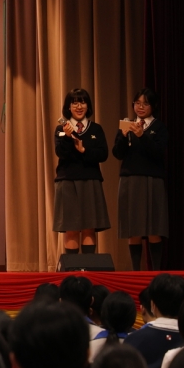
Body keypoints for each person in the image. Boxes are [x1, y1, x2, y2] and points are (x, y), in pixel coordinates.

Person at [112, 88, 169, 270]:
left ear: (153, 106)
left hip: (153, 180)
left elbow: (158, 153)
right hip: (130, 180)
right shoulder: (127, 125)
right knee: (133, 228)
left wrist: (141, 136)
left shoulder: (159, 127)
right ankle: (135, 271)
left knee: (154, 227)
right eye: (137, 103)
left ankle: (156, 271)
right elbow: (117, 153)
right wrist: (123, 137)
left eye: (145, 103)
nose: (140, 107)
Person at [53, 88, 110, 254]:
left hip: (90, 180)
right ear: (68, 107)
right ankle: (73, 268)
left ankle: (88, 267)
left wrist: (84, 150)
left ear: (88, 106)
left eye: (83, 102)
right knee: (71, 228)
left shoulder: (96, 129)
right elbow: (60, 153)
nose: (79, 106)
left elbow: (103, 154)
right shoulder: (61, 129)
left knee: (89, 227)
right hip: (67, 181)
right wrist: (67, 138)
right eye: (75, 103)